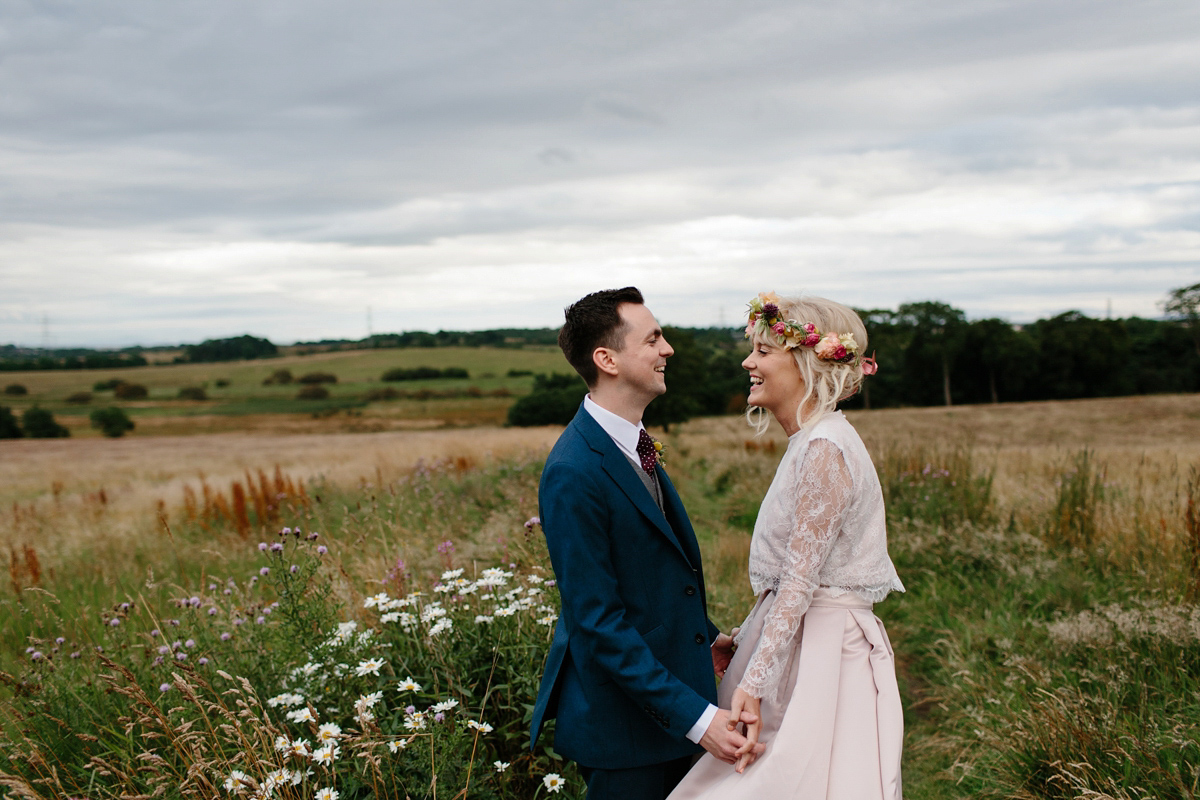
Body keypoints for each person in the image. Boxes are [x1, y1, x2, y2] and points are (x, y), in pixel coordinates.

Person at [669, 292, 906, 800]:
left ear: (805, 361)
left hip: (822, 654)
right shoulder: (813, 440)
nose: (747, 362)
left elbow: (800, 583)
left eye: (762, 351)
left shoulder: (825, 447)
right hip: (801, 639)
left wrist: (754, 685)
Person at [529, 287, 763, 800]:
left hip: (666, 710)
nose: (668, 349)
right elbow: (597, 622)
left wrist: (704, 637)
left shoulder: (632, 440)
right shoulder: (573, 470)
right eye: (653, 339)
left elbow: (647, 575)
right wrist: (699, 720)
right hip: (625, 733)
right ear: (607, 359)